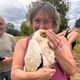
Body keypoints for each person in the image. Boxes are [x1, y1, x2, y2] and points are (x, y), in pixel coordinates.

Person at [11, 1, 76, 80]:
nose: (41, 26)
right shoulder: (23, 43)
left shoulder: (61, 41)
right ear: (32, 22)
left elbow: (72, 71)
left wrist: (56, 50)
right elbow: (14, 74)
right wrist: (36, 75)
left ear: (53, 23)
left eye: (46, 21)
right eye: (37, 21)